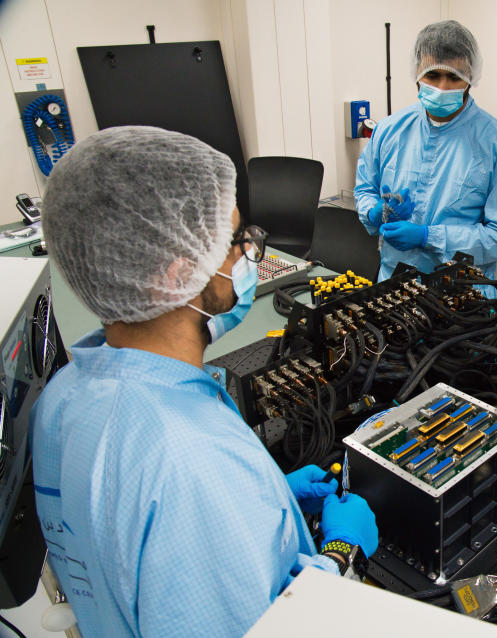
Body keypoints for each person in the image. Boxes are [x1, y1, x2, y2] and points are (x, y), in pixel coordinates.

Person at [31, 126, 377, 637]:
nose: (247, 256)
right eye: (235, 243)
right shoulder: (193, 461)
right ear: (175, 276)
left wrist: (266, 503)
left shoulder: (61, 395)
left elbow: (132, 542)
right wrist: (341, 557)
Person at [355, 20, 497, 290]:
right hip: (393, 289)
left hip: (463, 298)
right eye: (433, 76)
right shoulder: (390, 131)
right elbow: (365, 189)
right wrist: (373, 213)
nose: (443, 87)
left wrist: (428, 236)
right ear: (417, 72)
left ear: (470, 77)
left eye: (454, 77)